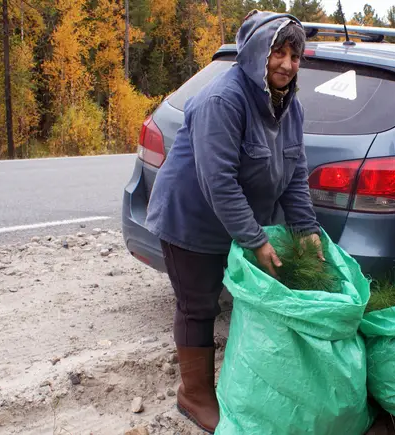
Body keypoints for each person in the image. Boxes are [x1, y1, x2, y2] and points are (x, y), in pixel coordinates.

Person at [144, 11, 320, 433]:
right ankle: (194, 395)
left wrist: (307, 229)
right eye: (277, 52)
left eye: (295, 55)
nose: (286, 64)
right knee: (198, 305)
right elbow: (217, 181)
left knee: (234, 301)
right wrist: (255, 239)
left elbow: (294, 173)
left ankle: (229, 382)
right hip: (191, 219)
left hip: (234, 223)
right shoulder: (223, 100)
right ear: (256, 52)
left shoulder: (288, 107)